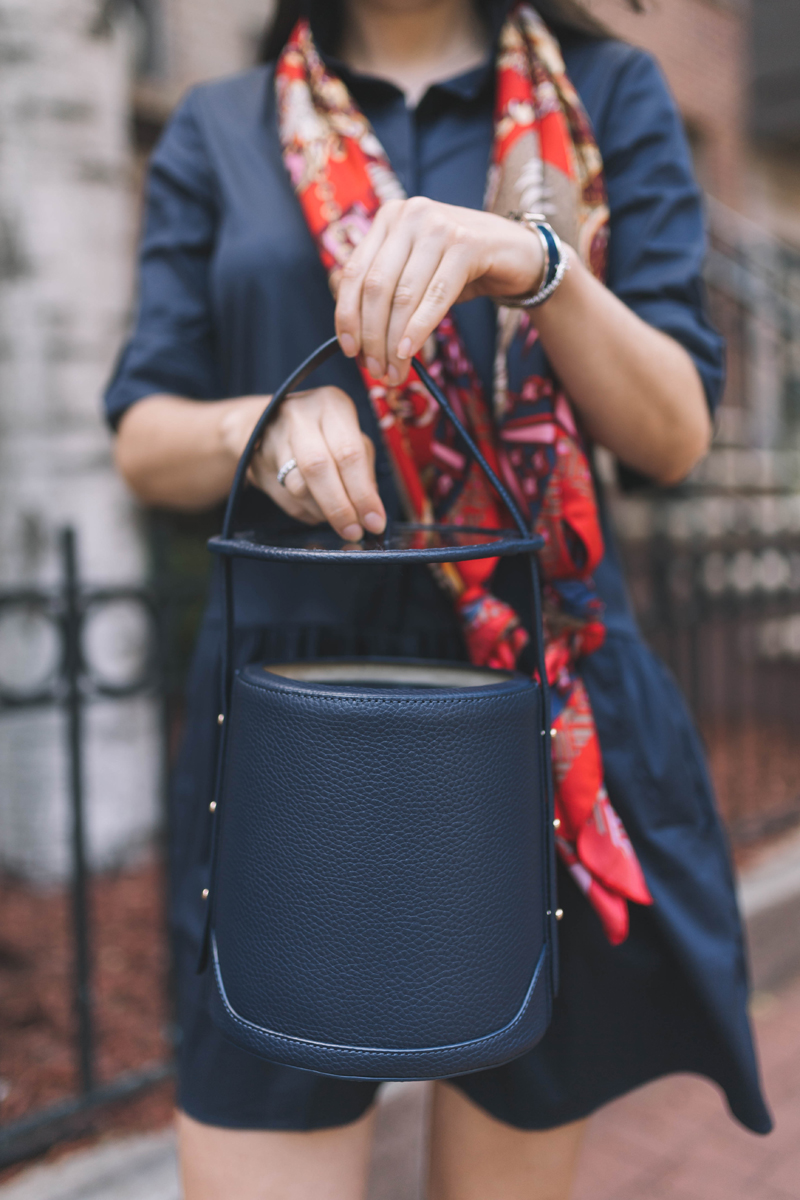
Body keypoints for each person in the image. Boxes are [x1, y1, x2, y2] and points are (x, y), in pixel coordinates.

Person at [106, 1, 772, 1196]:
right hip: (283, 725)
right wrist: (253, 429)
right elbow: (145, 437)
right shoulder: (221, 123)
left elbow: (671, 434)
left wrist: (539, 267)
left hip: (528, 719)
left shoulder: (605, 96)